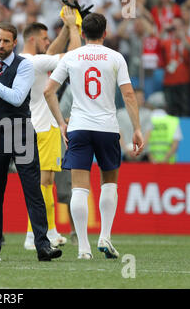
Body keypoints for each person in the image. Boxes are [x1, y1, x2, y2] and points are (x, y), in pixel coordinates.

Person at [43, 13, 144, 260]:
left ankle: (83, 249)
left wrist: (61, 123)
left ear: (84, 32)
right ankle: (105, 236)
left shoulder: (71, 56)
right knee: (109, 183)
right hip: (107, 127)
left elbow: (48, 91)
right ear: (105, 32)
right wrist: (137, 129)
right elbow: (129, 95)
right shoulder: (115, 57)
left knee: (79, 188)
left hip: (78, 126)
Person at [0, 22, 62, 261]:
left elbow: (17, 97)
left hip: (21, 130)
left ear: (15, 43)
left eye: (5, 41)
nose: (0, 45)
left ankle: (43, 246)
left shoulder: (25, 65)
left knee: (33, 189)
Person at [19, 8, 81, 251]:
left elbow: (52, 52)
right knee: (44, 183)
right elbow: (75, 55)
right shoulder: (34, 61)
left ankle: (44, 232)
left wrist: (65, 27)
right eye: (45, 39)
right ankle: (40, 234)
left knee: (42, 183)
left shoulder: (25, 61)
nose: (48, 43)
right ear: (33, 39)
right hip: (44, 127)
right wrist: (74, 27)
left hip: (32, 125)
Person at [147, 92, 183, 164]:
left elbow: (143, 143)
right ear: (166, 105)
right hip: (169, 164)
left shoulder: (147, 120)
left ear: (150, 105)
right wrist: (164, 160)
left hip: (150, 164)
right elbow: (175, 144)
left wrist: (152, 160)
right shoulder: (173, 121)